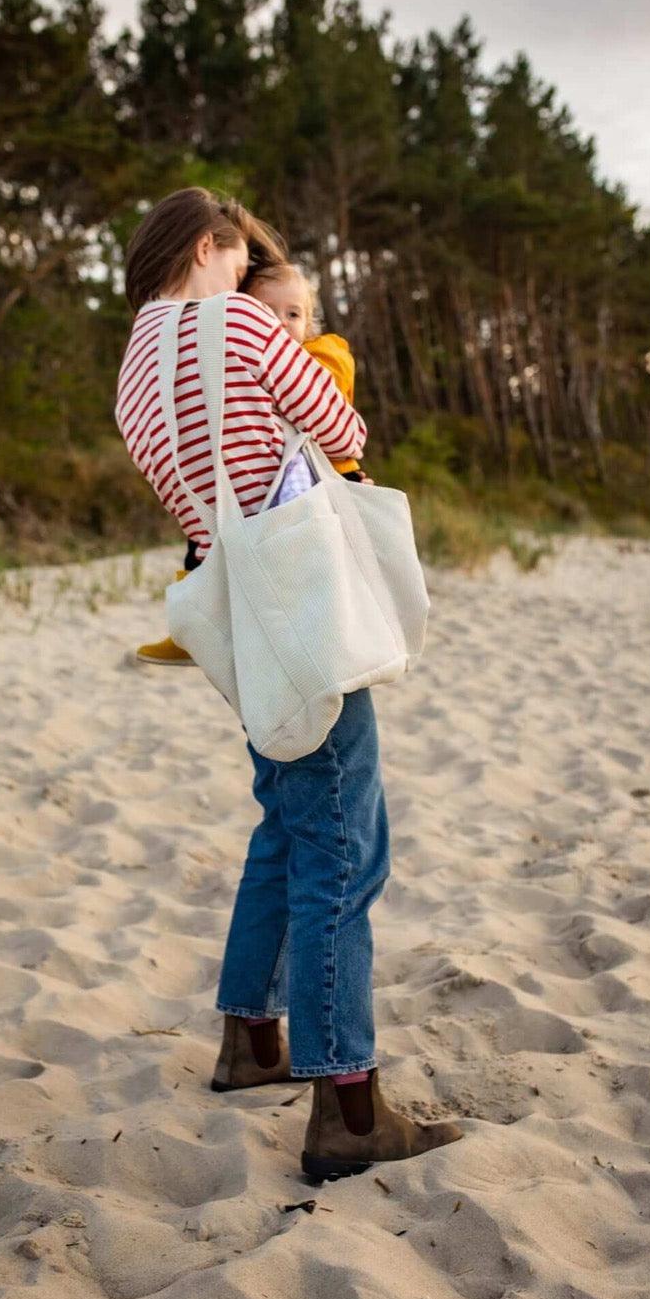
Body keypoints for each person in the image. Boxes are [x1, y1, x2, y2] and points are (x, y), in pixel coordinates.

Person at [114, 186, 464, 1181]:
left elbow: (192, 482)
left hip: (238, 615)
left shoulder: (135, 365)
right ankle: (349, 1108)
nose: (243, 278)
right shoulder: (237, 323)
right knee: (343, 851)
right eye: (235, 259)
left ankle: (251, 1040)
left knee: (288, 818)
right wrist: (292, 348)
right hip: (306, 606)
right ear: (210, 247)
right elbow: (339, 424)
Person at [134, 258, 369, 665]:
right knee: (205, 546)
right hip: (277, 480)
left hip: (326, 476)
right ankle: (194, 624)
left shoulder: (321, 353)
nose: (280, 322)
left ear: (309, 322)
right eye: (267, 312)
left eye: (293, 314)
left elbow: (328, 414)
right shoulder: (241, 350)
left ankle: (203, 625)